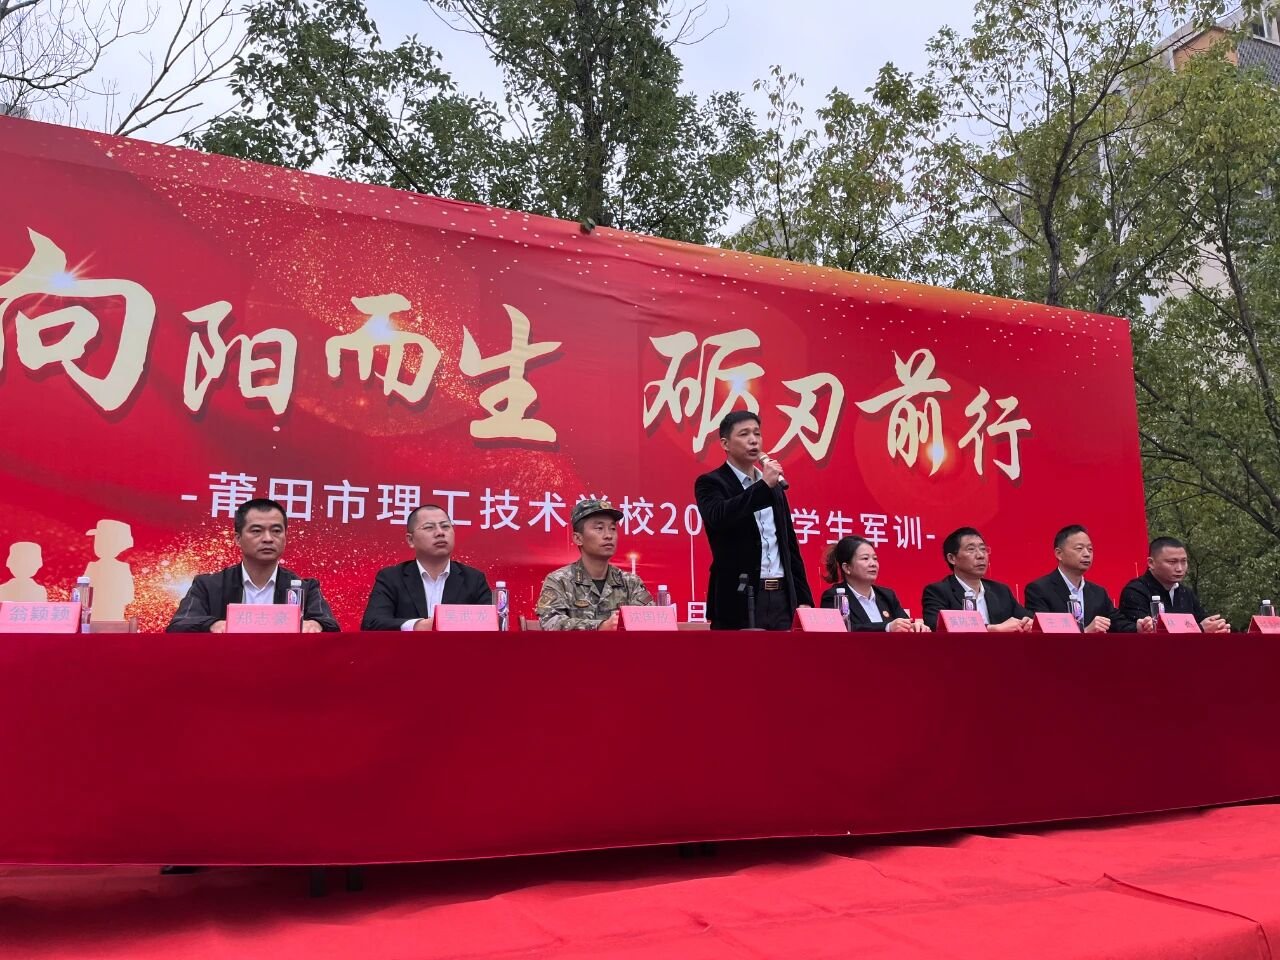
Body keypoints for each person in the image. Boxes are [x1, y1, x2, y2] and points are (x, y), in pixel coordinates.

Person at [694, 410, 813, 630]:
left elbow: (789, 545)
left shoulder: (774, 486)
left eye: (757, 434)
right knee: (740, 653)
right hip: (738, 596)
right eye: (744, 434)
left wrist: (804, 598)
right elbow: (718, 516)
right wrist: (762, 487)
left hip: (782, 597)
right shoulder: (711, 482)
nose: (753, 440)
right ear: (725, 443)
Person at [166, 498, 339, 633]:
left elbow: (331, 627)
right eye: (257, 531)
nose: (268, 538)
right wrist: (213, 624)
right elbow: (179, 625)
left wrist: (316, 624)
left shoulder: (305, 588)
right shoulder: (208, 586)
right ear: (238, 539)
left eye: (276, 531)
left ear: (285, 537)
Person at [361, 504, 492, 630]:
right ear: (410, 540)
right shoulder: (391, 578)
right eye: (429, 527)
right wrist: (417, 626)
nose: (440, 533)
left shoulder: (474, 579)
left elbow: (491, 624)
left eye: (445, 526)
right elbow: (372, 623)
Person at [536, 498, 654, 630]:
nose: (608, 535)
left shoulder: (631, 583)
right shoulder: (559, 581)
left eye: (612, 528)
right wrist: (600, 627)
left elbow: (651, 622)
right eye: (599, 528)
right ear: (578, 538)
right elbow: (550, 622)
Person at [1024, 524, 1149, 633]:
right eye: (1079, 548)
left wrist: (1138, 627)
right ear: (1059, 554)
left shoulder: (1099, 593)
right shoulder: (1039, 590)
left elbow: (1117, 623)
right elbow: (1043, 633)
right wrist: (1085, 632)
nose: (1087, 554)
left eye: (1090, 549)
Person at [921, 527, 1032, 632]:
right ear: (952, 558)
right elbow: (935, 625)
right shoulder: (938, 592)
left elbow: (1028, 618)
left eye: (983, 549)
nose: (981, 555)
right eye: (971, 549)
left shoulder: (1000, 590)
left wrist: (1028, 622)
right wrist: (992, 629)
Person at [1117, 536, 1229, 632]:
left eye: (1184, 561)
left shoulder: (1186, 593)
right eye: (1172, 562)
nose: (1179, 568)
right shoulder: (1135, 591)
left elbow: (1202, 621)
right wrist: (1200, 629)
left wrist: (1217, 627)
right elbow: (1148, 631)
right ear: (1151, 563)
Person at [819, 536, 928, 632]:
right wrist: (887, 627)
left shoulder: (887, 595)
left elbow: (904, 623)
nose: (873, 564)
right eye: (865, 558)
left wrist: (913, 627)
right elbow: (844, 629)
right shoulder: (835, 596)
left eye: (875, 559)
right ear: (847, 568)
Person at [83, 519, 134, 621]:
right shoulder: (92, 566)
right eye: (98, 541)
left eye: (103, 541)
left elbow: (128, 595)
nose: (98, 544)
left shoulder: (122, 568)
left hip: (113, 615)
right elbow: (83, 592)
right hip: (95, 616)